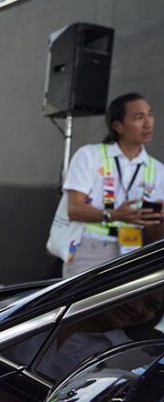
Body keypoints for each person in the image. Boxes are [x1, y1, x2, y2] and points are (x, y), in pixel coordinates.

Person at [62, 92, 164, 278]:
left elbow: (156, 235)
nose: (148, 123)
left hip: (133, 251)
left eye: (150, 114)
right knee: (85, 306)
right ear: (118, 126)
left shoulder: (158, 170)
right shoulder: (89, 155)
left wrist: (160, 219)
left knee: (126, 308)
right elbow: (74, 209)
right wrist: (114, 214)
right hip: (90, 248)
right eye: (138, 117)